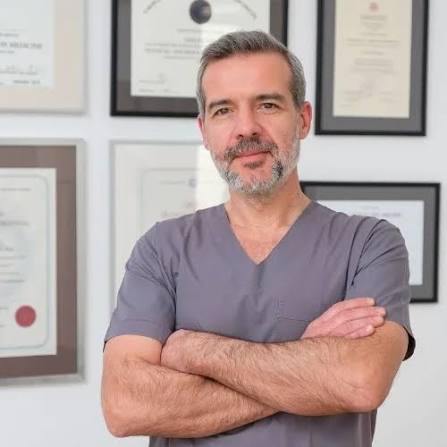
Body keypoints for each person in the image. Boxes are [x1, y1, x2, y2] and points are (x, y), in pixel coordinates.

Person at [102, 30, 414, 447]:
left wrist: (196, 350)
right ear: (204, 131)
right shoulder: (162, 249)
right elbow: (125, 406)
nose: (246, 128)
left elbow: (360, 382)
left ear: (302, 119)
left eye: (267, 105)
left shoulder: (369, 244)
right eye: (223, 110)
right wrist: (309, 363)